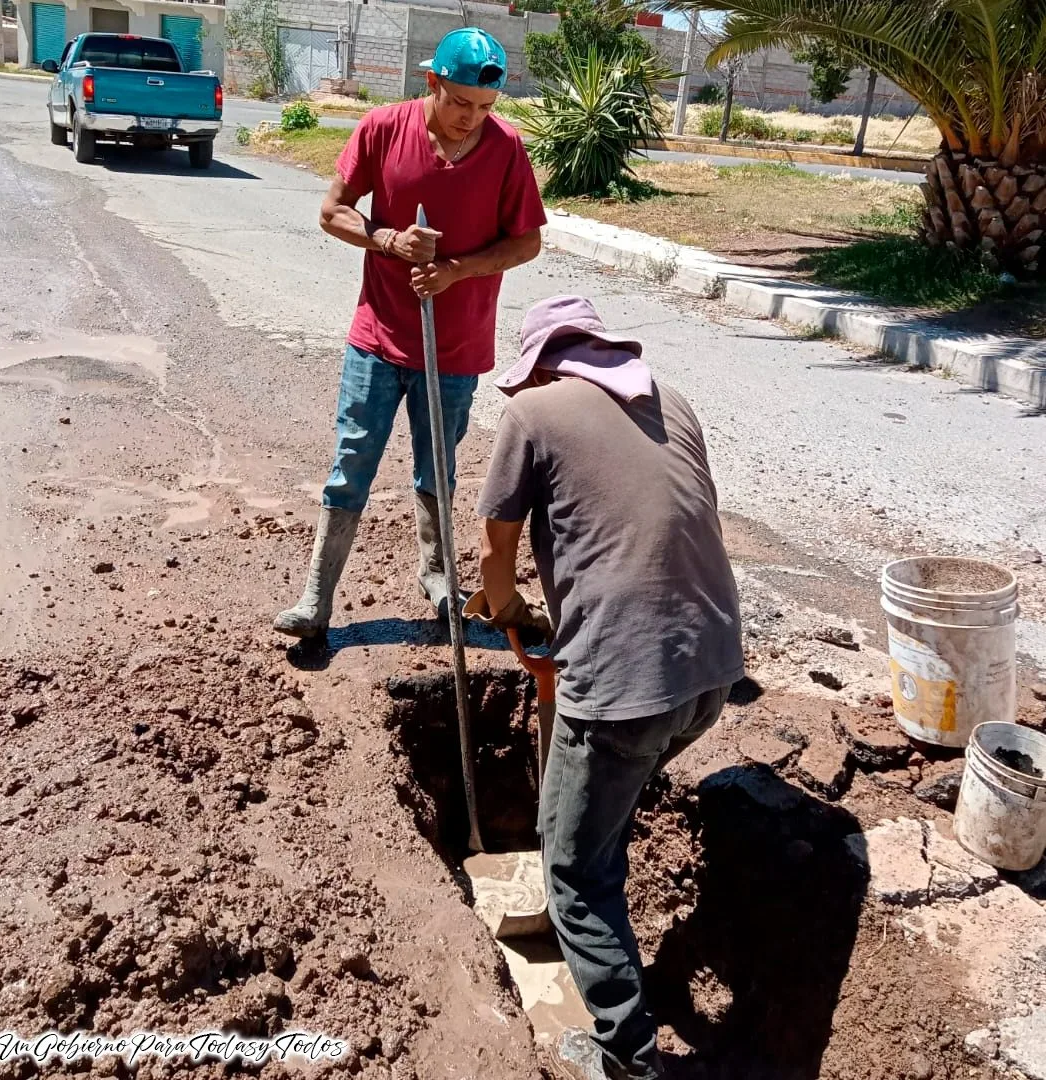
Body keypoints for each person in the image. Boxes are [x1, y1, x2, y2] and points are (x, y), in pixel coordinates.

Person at [466, 295, 744, 1080]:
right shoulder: (671, 399)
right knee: (595, 817)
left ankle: (625, 1055)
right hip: (710, 669)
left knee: (576, 871)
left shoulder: (536, 413)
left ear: (542, 363)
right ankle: (586, 899)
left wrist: (509, 603)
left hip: (626, 681)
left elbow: (494, 551)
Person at [274, 27, 546, 638]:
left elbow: (527, 241)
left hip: (454, 350)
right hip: (377, 338)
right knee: (351, 463)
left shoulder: (506, 149)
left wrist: (457, 271)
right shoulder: (382, 128)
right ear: (432, 84)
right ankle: (316, 600)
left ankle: (439, 580)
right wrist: (387, 240)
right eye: (459, 104)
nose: (470, 120)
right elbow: (331, 211)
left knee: (437, 470)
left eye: (483, 108)